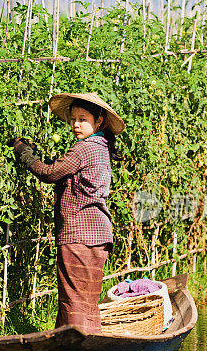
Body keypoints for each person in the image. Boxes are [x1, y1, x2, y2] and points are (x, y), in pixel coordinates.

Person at [8, 93, 124, 333]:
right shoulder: (101, 147)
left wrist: (24, 152)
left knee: (74, 301)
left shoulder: (84, 148)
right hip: (98, 235)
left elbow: (49, 173)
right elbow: (64, 170)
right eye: (73, 119)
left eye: (83, 119)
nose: (76, 125)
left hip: (78, 235)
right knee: (85, 302)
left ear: (99, 121)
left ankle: (78, 350)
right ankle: (76, 346)